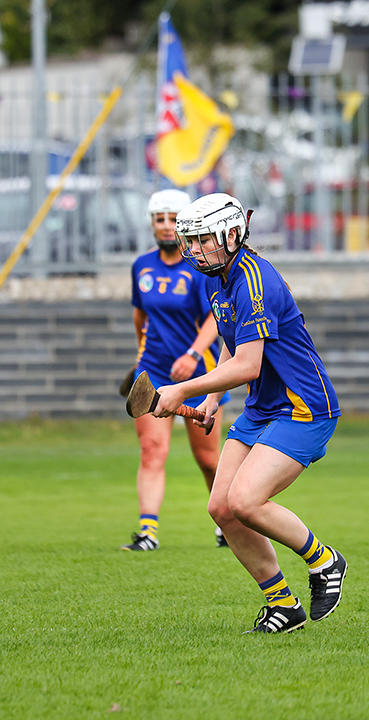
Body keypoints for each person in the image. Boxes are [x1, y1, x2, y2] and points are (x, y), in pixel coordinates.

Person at [152, 193, 347, 634]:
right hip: (262, 408)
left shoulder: (254, 278)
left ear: (233, 234)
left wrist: (182, 388)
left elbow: (249, 364)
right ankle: (283, 604)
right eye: (191, 241)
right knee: (221, 507)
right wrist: (212, 400)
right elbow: (232, 339)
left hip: (304, 407)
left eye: (204, 240)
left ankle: (325, 560)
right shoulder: (214, 277)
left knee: (245, 500)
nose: (194, 250)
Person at [124, 189, 230, 551]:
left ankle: (226, 522)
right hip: (152, 370)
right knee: (152, 451)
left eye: (173, 219)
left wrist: (192, 353)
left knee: (207, 458)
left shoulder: (201, 267)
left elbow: (215, 320)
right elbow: (140, 316)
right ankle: (147, 532)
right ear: (152, 224)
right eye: (160, 219)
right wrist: (142, 354)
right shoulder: (142, 266)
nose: (166, 226)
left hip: (199, 372)